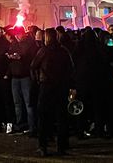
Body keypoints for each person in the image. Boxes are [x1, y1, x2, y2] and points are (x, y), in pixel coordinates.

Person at [31, 28, 75, 157]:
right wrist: (71, 86)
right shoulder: (63, 51)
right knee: (61, 118)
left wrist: (38, 80)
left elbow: (33, 66)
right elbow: (71, 69)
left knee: (44, 117)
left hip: (47, 87)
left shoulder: (43, 51)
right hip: (61, 87)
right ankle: (61, 147)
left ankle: (43, 146)